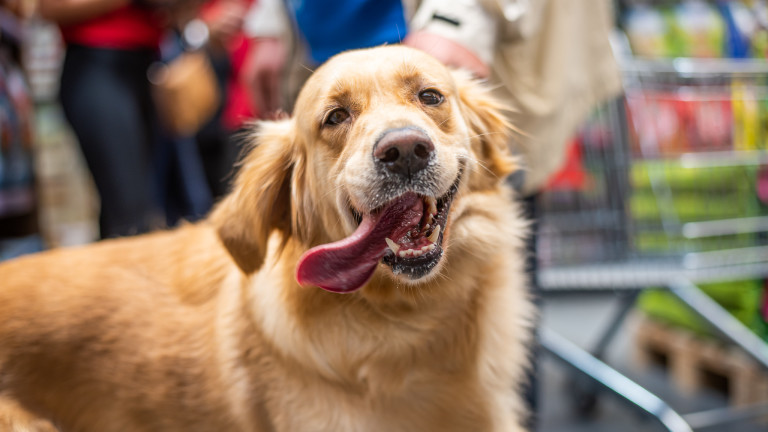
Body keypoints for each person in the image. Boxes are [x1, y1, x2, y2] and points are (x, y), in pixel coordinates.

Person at [242, 0, 621, 428]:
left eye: (428, 99)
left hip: (457, 39)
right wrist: (272, 20)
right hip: (321, 45)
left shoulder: (475, 132)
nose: (402, 143)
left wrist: (455, 18)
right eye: (337, 116)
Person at [39, 0, 167, 238]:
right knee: (132, 220)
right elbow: (48, 8)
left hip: (146, 66)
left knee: (130, 214)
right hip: (96, 66)